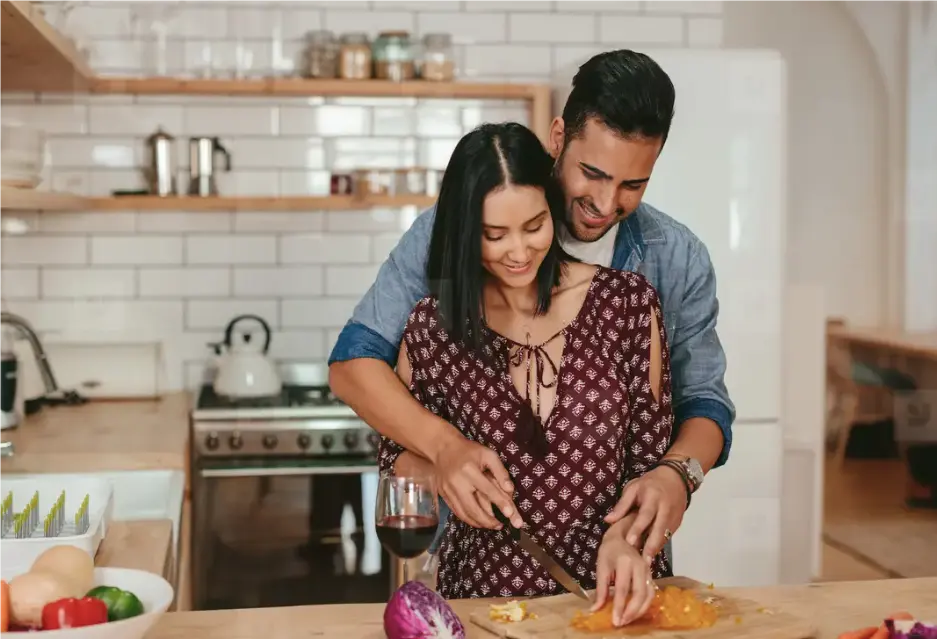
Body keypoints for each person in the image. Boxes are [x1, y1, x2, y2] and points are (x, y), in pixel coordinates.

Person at [329, 48, 734, 608]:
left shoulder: (660, 273)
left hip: (614, 589)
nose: (604, 203)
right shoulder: (448, 240)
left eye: (632, 185)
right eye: (592, 173)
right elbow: (355, 366)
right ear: (558, 136)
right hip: (481, 592)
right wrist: (444, 450)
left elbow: (703, 406)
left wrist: (675, 476)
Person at [378, 121, 672, 625]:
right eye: (494, 235)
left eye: (534, 226)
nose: (518, 252)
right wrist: (443, 469)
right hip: (483, 607)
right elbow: (394, 463)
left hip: (613, 602)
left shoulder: (627, 305)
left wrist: (626, 540)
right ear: (467, 232)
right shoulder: (433, 326)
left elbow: (650, 463)